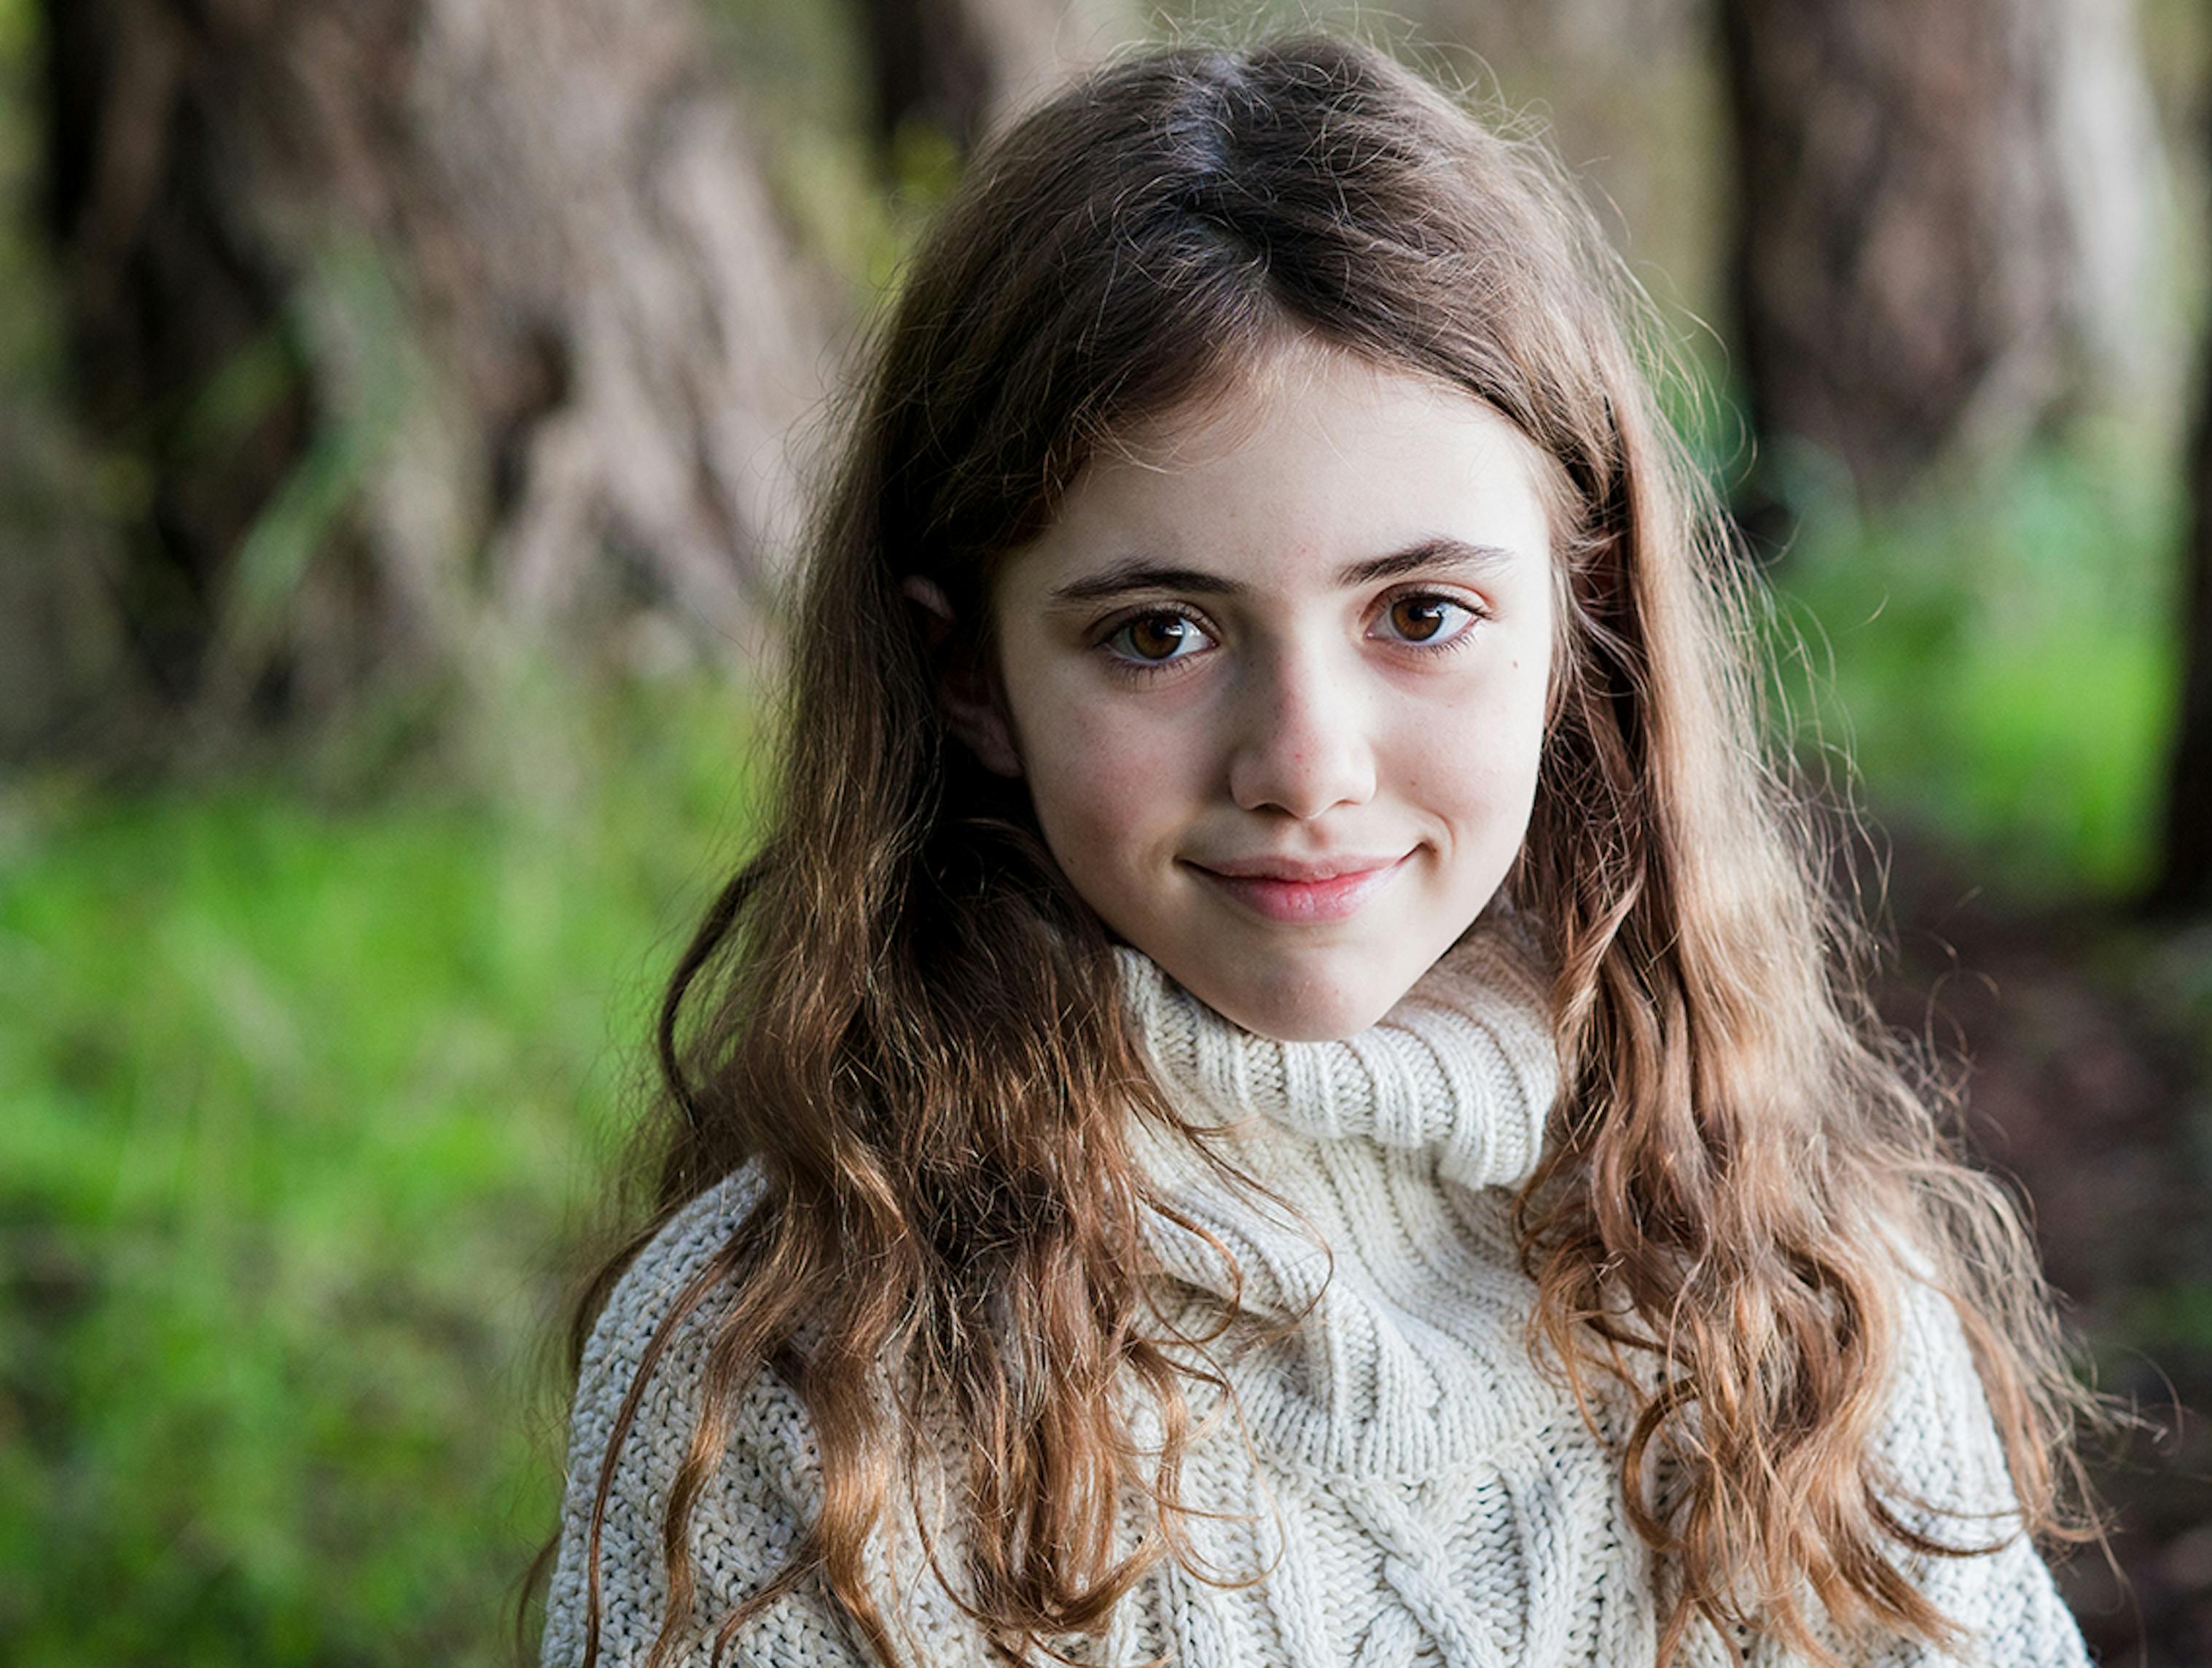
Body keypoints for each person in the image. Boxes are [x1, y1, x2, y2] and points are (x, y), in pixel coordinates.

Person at [536, 32, 2099, 1668]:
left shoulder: (1805, 1282)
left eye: (1421, 614)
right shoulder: (795, 1371)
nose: (1304, 765)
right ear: (967, 675)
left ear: (1588, 622)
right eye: (1157, 634)